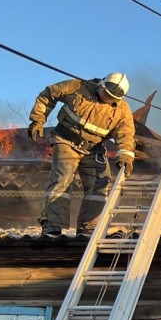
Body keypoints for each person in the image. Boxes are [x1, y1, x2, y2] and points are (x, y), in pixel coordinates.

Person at [27, 73, 137, 239]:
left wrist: (126, 157)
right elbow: (48, 94)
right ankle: (52, 225)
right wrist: (38, 120)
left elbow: (126, 135)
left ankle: (89, 228)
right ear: (102, 84)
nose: (108, 98)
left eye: (113, 97)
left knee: (100, 185)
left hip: (94, 149)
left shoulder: (122, 110)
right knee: (62, 180)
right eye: (106, 93)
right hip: (66, 141)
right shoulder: (78, 87)